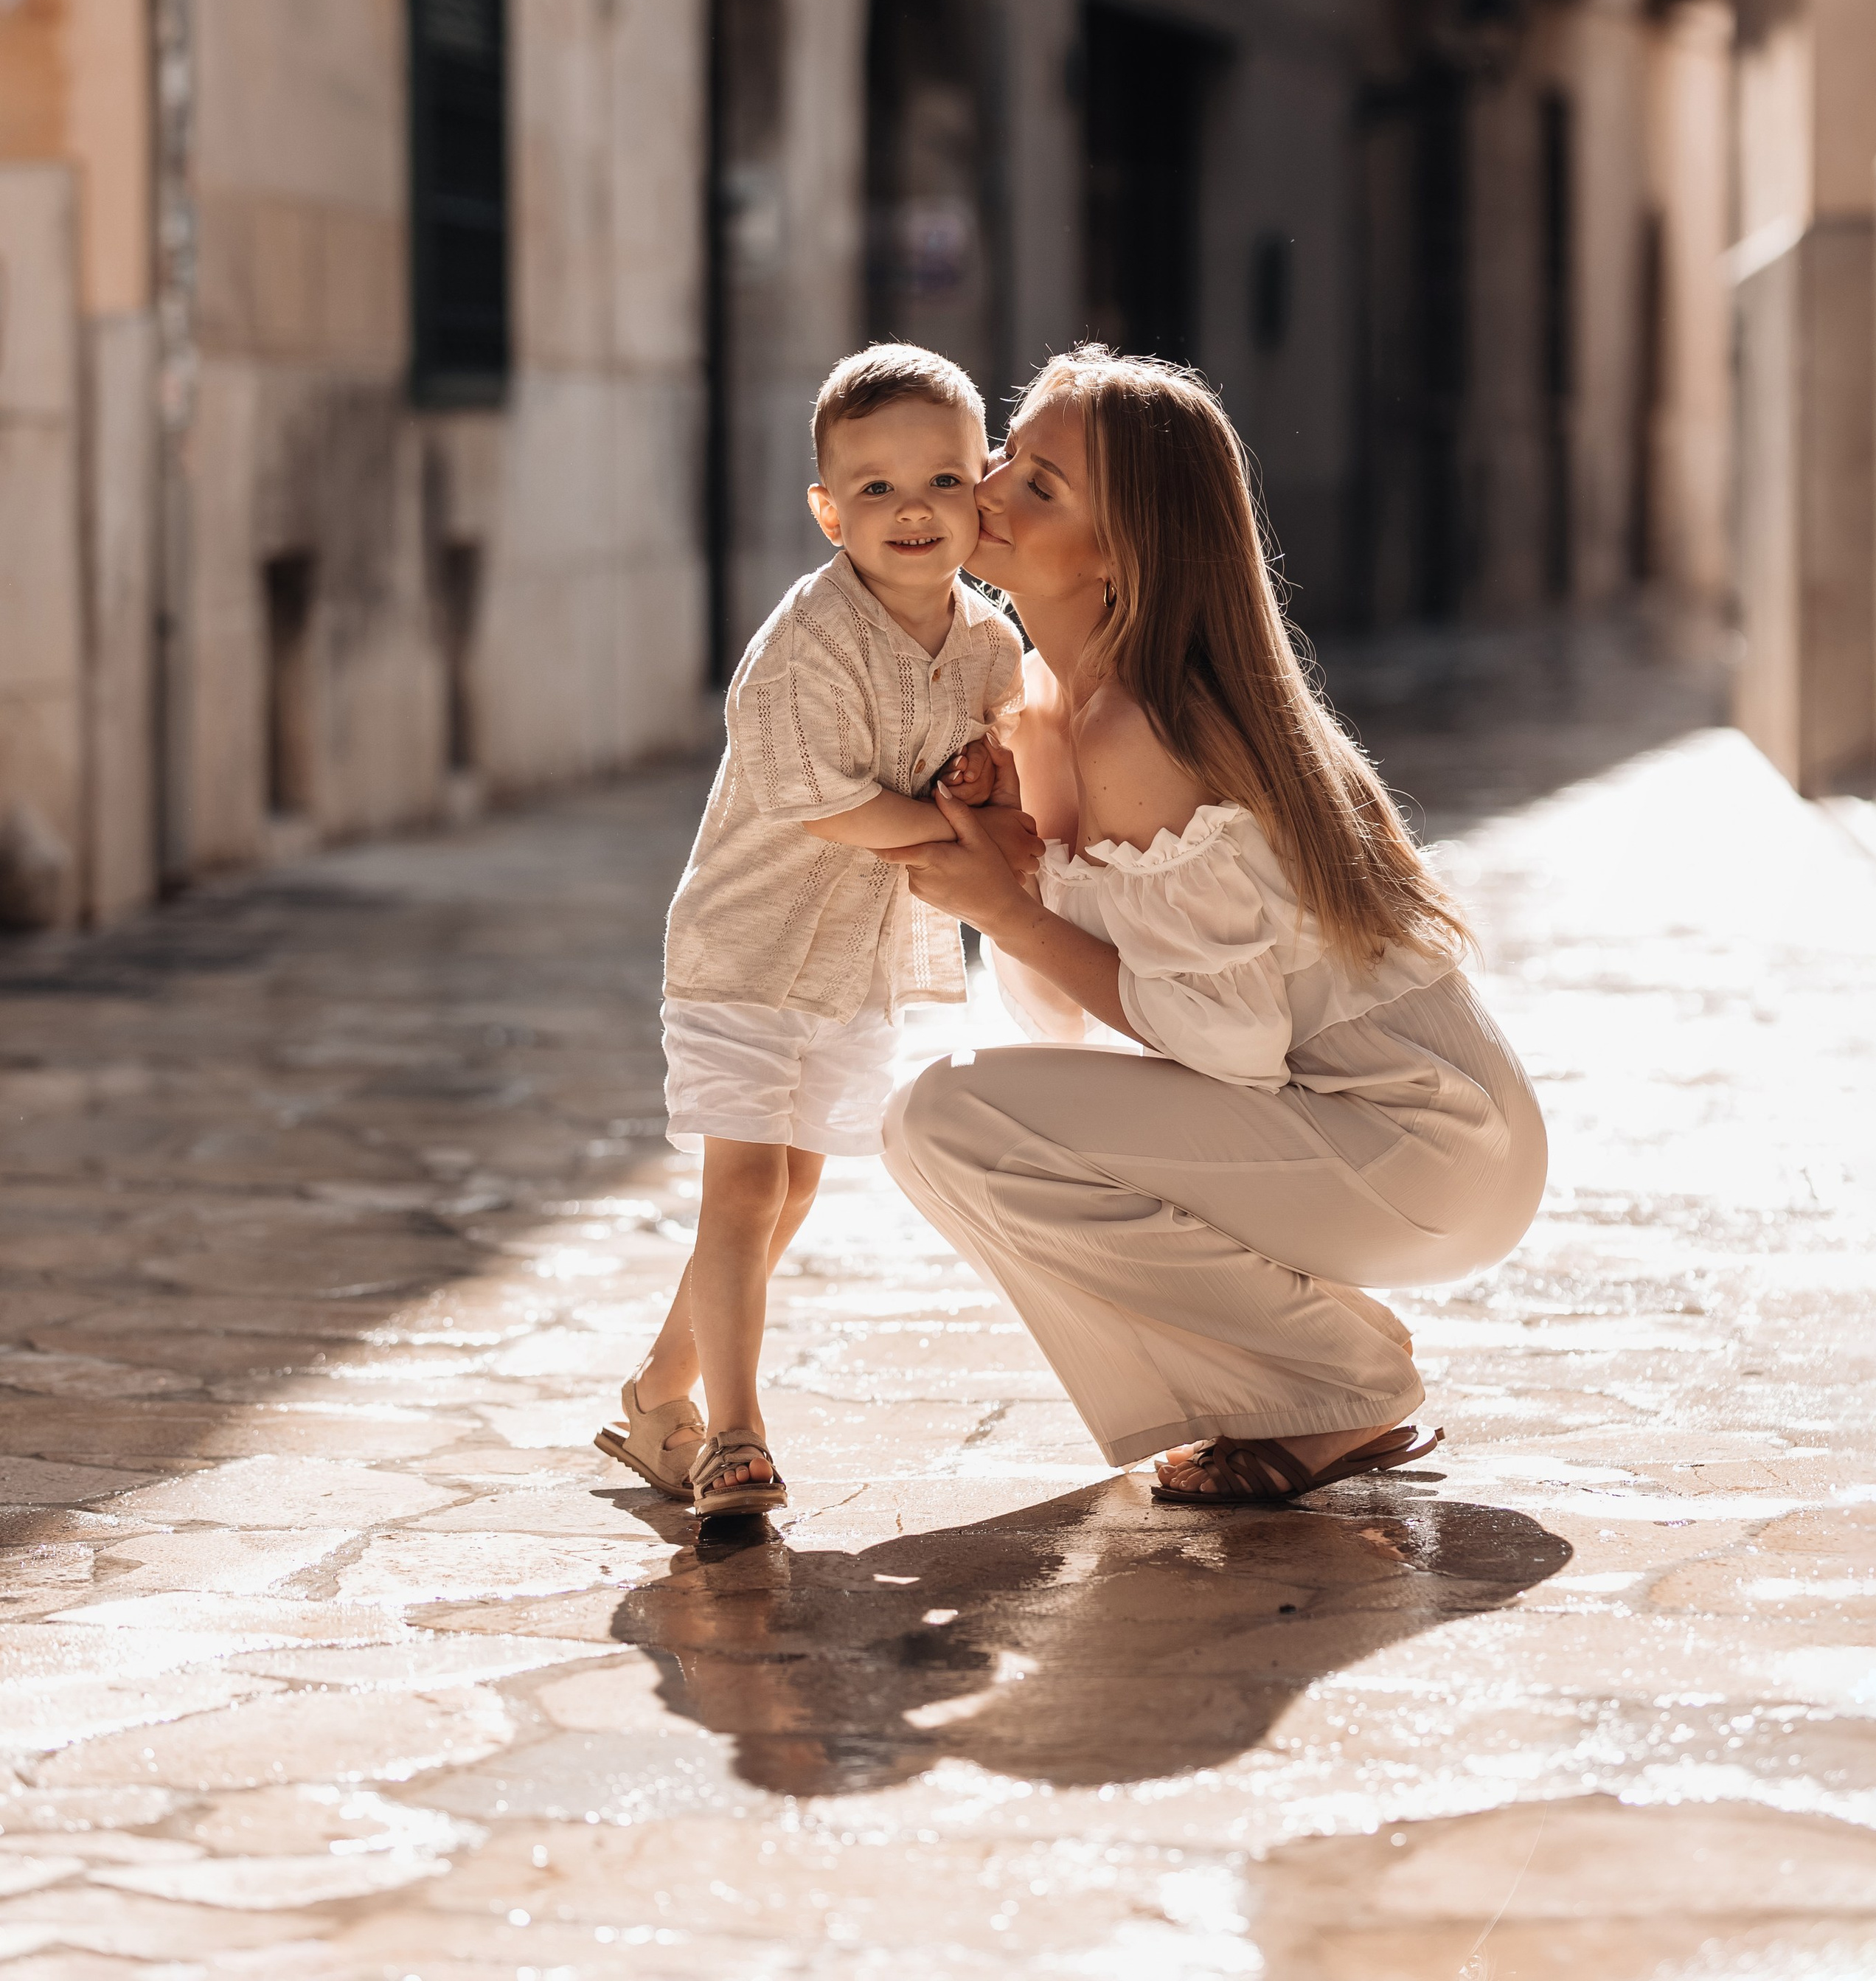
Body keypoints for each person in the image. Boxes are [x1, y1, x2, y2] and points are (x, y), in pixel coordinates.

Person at [875, 347, 1547, 1505]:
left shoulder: (1151, 729)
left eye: (1041, 487)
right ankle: (1313, 1363)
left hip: (1427, 1145)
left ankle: (1337, 1384)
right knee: (950, 1124)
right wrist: (1014, 874)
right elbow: (1064, 1030)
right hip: (1333, 1124)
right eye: (1006, 455)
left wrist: (1002, 909)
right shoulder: (1043, 706)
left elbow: (1221, 1044)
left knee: (948, 1116)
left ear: (1124, 554)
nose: (984, 493)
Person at [595, 344, 1038, 1519]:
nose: (912, 512)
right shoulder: (808, 643)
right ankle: (731, 1435)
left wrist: (996, 780)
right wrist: (959, 847)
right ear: (828, 509)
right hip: (743, 950)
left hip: (850, 967)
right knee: (742, 1188)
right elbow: (827, 800)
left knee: (789, 1191)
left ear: (981, 488)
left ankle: (654, 1396)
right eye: (877, 490)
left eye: (943, 481)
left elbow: (1001, 761)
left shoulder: (992, 645)